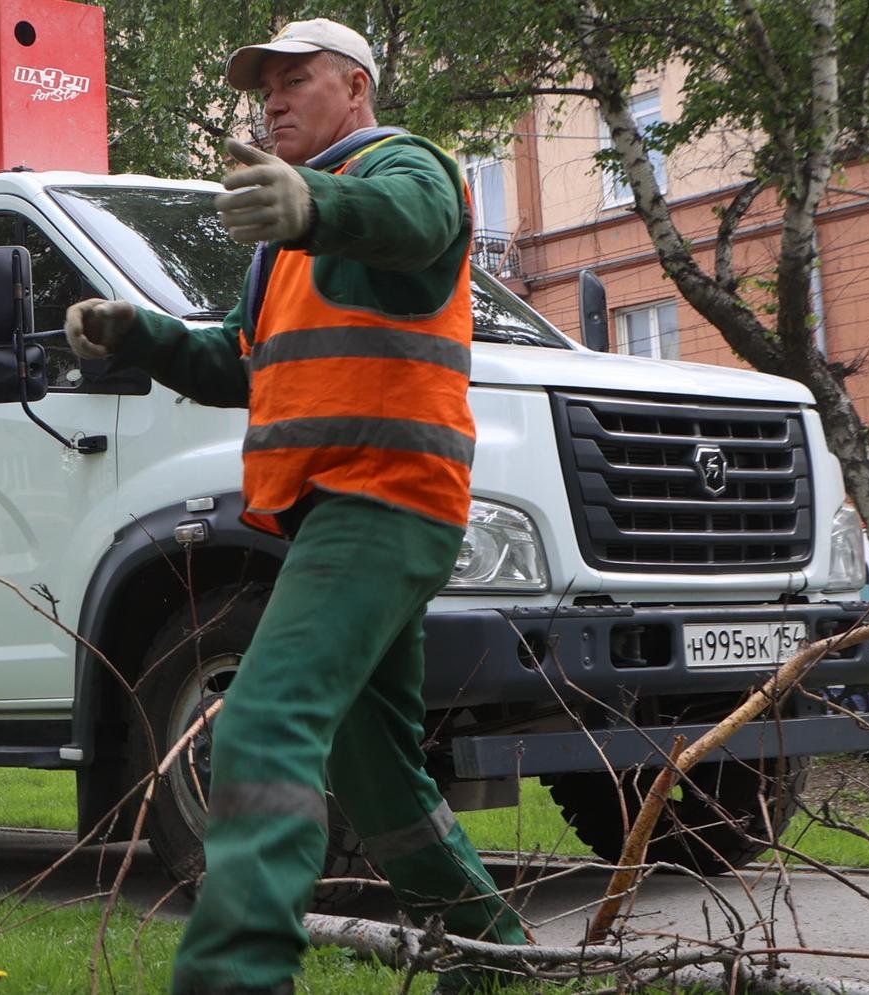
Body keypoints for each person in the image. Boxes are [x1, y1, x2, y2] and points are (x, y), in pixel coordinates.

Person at [61, 19, 530, 995]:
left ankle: (236, 974)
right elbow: (240, 363)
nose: (268, 100)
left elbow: (404, 224)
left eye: (293, 81)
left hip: (387, 498)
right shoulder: (281, 243)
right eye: (260, 86)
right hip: (336, 511)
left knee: (261, 718)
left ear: (354, 87)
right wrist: (138, 332)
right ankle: (492, 954)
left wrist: (311, 201)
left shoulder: (409, 169)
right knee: (372, 765)